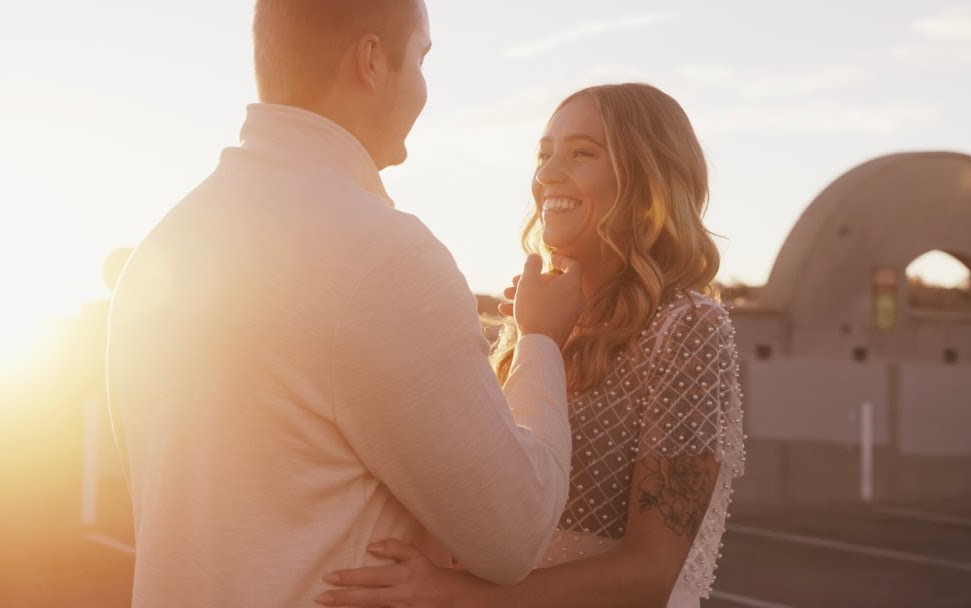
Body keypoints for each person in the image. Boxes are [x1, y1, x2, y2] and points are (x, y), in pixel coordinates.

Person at [106, 0, 585, 607]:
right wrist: (540, 342)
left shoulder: (163, 251)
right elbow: (515, 532)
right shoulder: (384, 256)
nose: (423, 87)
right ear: (372, 60)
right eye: (421, 59)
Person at [317, 83, 746, 608]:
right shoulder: (530, 319)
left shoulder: (687, 327)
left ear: (648, 176)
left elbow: (652, 572)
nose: (547, 176)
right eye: (544, 156)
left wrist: (449, 594)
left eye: (582, 153)